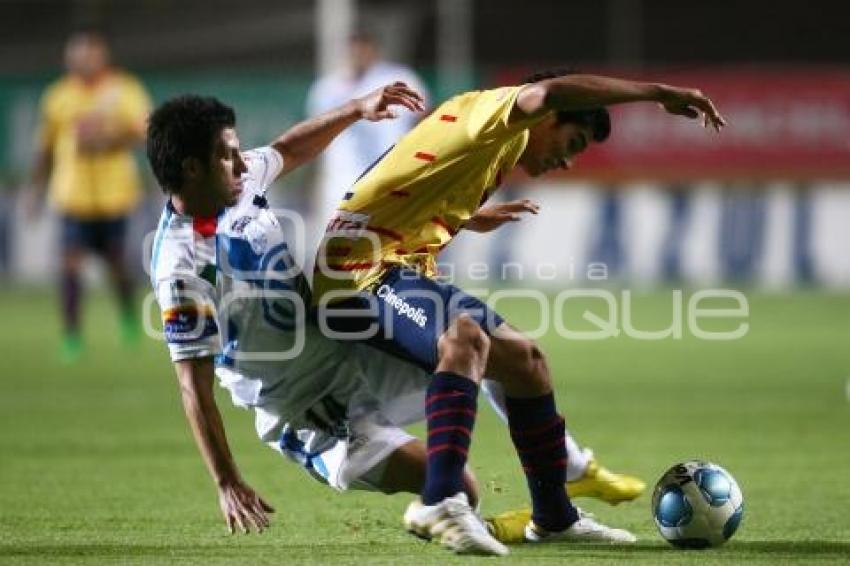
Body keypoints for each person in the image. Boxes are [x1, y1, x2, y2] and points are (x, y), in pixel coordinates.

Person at [145, 86, 638, 556]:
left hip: (346, 346)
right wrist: (227, 480)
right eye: (227, 155)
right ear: (191, 169)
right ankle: (446, 501)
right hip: (307, 404)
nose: (241, 161)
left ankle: (557, 510)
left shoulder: (237, 180)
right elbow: (194, 385)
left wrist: (357, 108)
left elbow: (286, 149)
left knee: (514, 356)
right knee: (462, 486)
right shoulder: (181, 267)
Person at [312, 70, 726, 555]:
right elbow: (546, 92)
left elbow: (402, 178)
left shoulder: (493, 145)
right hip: (356, 275)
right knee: (463, 337)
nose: (568, 161)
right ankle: (438, 499)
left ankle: (554, 517)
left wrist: (463, 215)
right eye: (571, 142)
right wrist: (659, 91)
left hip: (388, 269)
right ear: (546, 118)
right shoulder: (495, 114)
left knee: (527, 363)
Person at [29, 31, 151, 362]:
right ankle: (71, 335)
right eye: (75, 55)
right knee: (70, 264)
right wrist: (35, 189)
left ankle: (127, 316)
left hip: (114, 194)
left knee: (116, 265)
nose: (80, 60)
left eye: (88, 54)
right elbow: (45, 147)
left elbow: (144, 131)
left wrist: (108, 138)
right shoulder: (58, 96)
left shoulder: (123, 89)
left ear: (102, 55)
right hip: (71, 194)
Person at [305, 30, 429, 257]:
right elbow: (317, 138)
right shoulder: (326, 88)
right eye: (353, 47)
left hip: (390, 179)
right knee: (338, 253)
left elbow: (425, 122)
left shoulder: (400, 79)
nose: (357, 53)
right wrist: (315, 183)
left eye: (363, 46)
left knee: (394, 247)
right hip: (341, 184)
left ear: (373, 49)